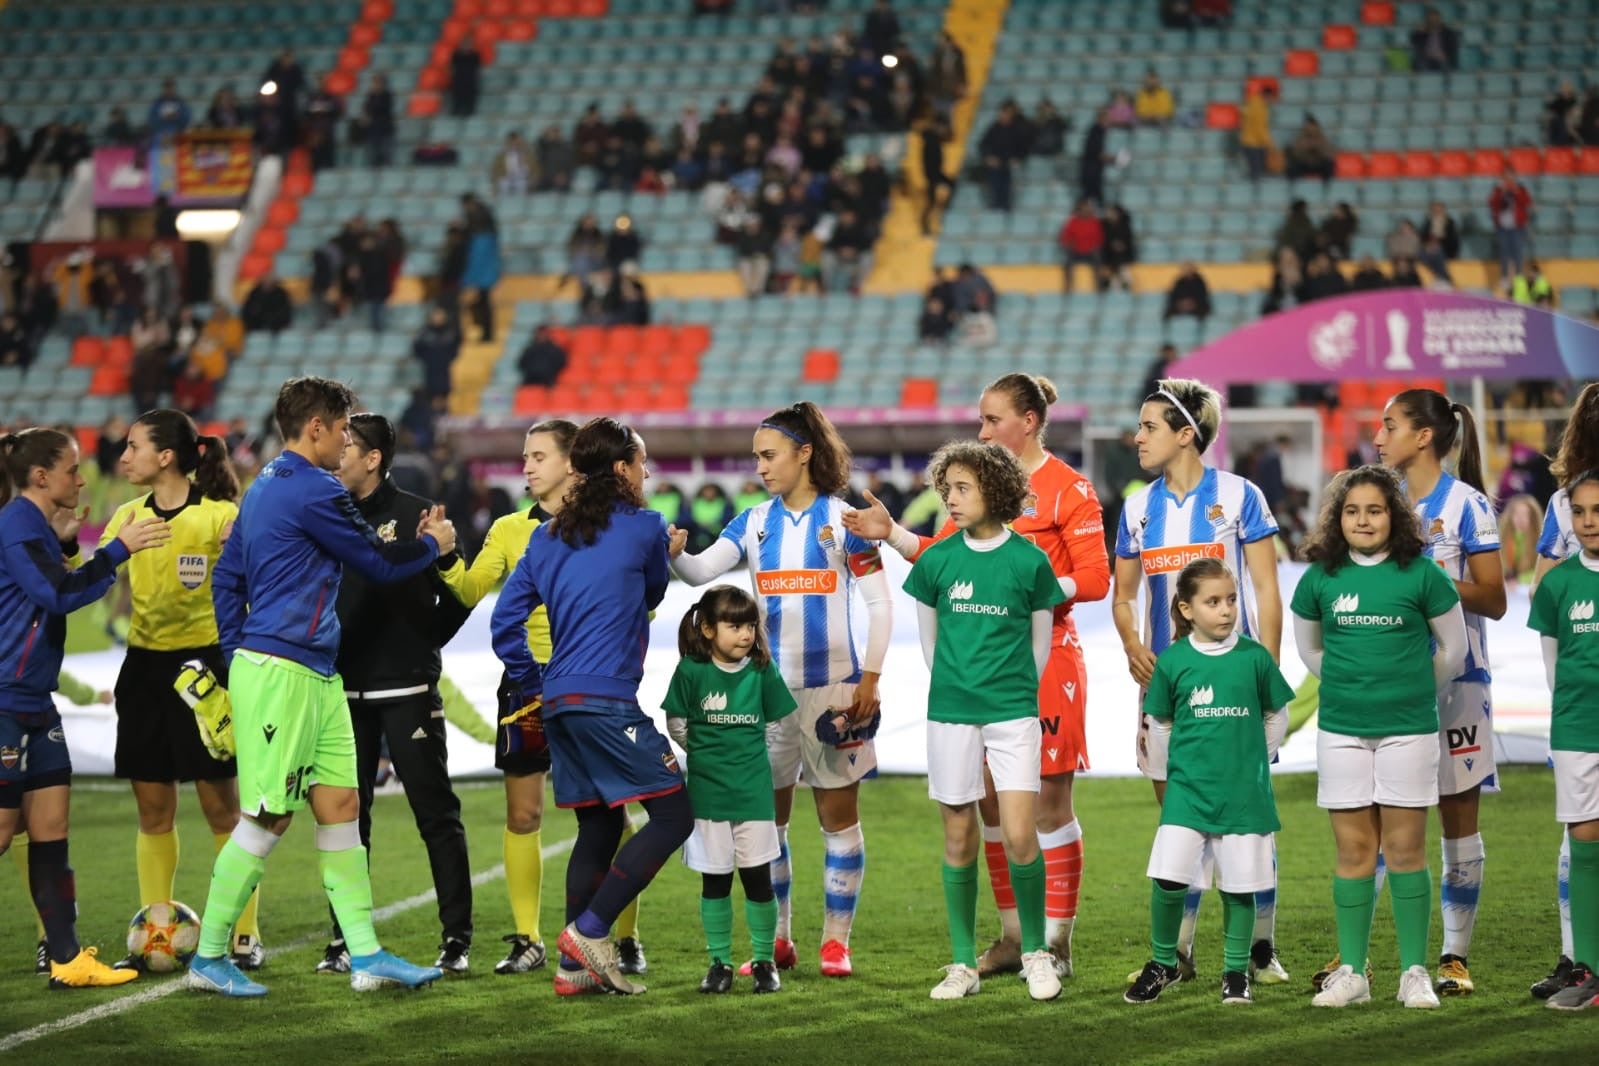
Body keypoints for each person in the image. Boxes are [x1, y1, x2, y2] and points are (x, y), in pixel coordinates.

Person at [185, 377, 456, 998]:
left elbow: (228, 579)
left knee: (341, 807)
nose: (344, 441)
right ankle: (208, 955)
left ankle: (364, 953)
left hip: (314, 673)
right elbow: (380, 563)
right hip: (283, 674)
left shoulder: (265, 488)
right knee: (268, 816)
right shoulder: (313, 490)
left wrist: (236, 655)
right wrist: (433, 545)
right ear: (316, 428)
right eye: (341, 428)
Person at [842, 374, 1108, 979]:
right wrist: (894, 536)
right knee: (986, 807)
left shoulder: (1071, 490)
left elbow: (1095, 578)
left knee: (1046, 806)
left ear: (1029, 422)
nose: (982, 429)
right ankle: (1014, 938)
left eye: (992, 420)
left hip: (1046, 658)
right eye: (982, 420)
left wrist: (1025, 595)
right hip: (973, 670)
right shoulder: (976, 490)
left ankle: (1056, 941)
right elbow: (948, 557)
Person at [669, 402, 892, 979]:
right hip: (762, 698)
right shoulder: (752, 523)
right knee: (768, 825)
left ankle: (837, 944)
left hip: (835, 693)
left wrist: (870, 678)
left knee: (838, 818)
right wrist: (673, 555)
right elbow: (698, 573)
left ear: (805, 452)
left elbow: (880, 603)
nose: (761, 467)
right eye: (756, 458)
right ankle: (782, 941)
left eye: (769, 456)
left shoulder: (844, 520)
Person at [442, 420, 651, 983]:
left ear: (571, 463)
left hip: (589, 682)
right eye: (524, 456)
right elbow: (470, 592)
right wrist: (444, 557)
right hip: (529, 685)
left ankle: (622, 937)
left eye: (539, 456)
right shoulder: (512, 529)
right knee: (524, 814)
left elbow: (640, 605)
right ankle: (529, 938)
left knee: (613, 812)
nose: (527, 466)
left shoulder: (610, 527)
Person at [490, 419, 688, 996]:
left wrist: (536, 679)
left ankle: (572, 972)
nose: (648, 473)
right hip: (607, 701)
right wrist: (663, 553)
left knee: (598, 827)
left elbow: (506, 622)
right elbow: (651, 594)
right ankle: (591, 931)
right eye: (642, 463)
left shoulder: (545, 538)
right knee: (676, 814)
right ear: (623, 468)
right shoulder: (647, 526)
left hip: (558, 703)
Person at [1111, 378, 1286, 985]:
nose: (1137, 437)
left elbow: (1266, 589)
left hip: (1236, 686)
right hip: (1165, 689)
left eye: (1149, 426)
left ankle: (1260, 948)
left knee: (1247, 814)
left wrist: (1265, 675)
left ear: (1187, 433)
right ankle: (1180, 953)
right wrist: (1132, 643)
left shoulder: (1240, 497)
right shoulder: (1136, 508)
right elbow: (1123, 595)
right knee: (1178, 819)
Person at [0, 427, 170, 988]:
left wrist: (71, 547)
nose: (81, 477)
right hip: (3, 699)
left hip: (35, 704)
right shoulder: (15, 524)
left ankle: (68, 959)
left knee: (51, 828)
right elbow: (58, 595)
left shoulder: (36, 527)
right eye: (72, 469)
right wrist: (119, 549)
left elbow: (53, 583)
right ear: (41, 476)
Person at [1292, 465, 1466, 1009]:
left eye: (1374, 509)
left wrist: (1409, 690)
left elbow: (1452, 652)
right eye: (1351, 510)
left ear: (1395, 516)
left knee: (1406, 848)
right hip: (1341, 730)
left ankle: (1414, 971)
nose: (1363, 520)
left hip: (1408, 731)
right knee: (1353, 851)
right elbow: (1310, 651)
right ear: (1336, 518)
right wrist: (1353, 686)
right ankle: (1352, 972)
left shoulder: (1424, 574)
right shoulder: (1320, 576)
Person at [904, 441, 1065, 1003]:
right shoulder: (936, 560)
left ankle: (1036, 953)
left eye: (963, 487)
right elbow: (929, 643)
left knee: (1021, 834)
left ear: (994, 490)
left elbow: (1040, 645)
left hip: (1012, 713)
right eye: (946, 488)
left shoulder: (1028, 560)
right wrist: (955, 684)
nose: (950, 497)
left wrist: (1012, 693)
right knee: (958, 836)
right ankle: (960, 963)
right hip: (950, 713)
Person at [100, 411, 261, 971]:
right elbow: (91, 576)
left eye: (133, 446)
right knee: (153, 811)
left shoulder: (219, 517)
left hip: (205, 673)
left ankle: (244, 933)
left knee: (223, 811)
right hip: (143, 672)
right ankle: (159, 931)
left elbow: (257, 579)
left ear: (165, 456)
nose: (123, 458)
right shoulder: (124, 517)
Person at [319, 413, 474, 975]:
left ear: (374, 457)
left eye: (349, 446)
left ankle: (456, 939)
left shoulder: (417, 515)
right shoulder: (327, 513)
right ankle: (343, 940)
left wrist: (425, 642)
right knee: (345, 821)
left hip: (407, 688)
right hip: (341, 691)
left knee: (434, 814)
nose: (338, 454)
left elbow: (462, 594)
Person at [1362, 389, 1504, 998]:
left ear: (1424, 436)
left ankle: (1453, 958)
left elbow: (1494, 598)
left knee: (1455, 817)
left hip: (1457, 686)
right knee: (1370, 823)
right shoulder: (1373, 503)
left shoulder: (1469, 506)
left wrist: (1434, 582)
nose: (1378, 436)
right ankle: (1356, 960)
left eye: (1389, 425)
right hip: (1384, 682)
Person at [1126, 558, 1292, 1005]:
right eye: (1213, 601)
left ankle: (1235, 973)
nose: (1226, 610)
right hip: (1187, 794)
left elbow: (1277, 715)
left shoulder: (1254, 657)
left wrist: (1256, 759)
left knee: (1239, 886)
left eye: (1232, 600)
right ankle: (1163, 962)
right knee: (1168, 878)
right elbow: (1158, 723)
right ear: (1185, 608)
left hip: (1243, 794)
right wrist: (1170, 774)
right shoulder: (1174, 661)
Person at [664, 586, 795, 995]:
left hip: (754, 796)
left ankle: (763, 963)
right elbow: (677, 724)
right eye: (735, 626)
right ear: (706, 629)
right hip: (707, 797)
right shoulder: (690, 671)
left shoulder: (762, 671)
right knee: (715, 882)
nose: (746, 635)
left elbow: (777, 725)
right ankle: (718, 963)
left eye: (751, 626)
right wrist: (707, 757)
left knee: (758, 881)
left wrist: (749, 759)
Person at [1530, 381, 1599, 999]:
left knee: (1582, 838)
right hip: (1580, 708)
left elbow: (1542, 586)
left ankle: (1579, 961)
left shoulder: (1563, 500)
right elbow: (1549, 594)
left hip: (1578, 705)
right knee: (1582, 837)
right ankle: (1580, 962)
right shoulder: (1563, 505)